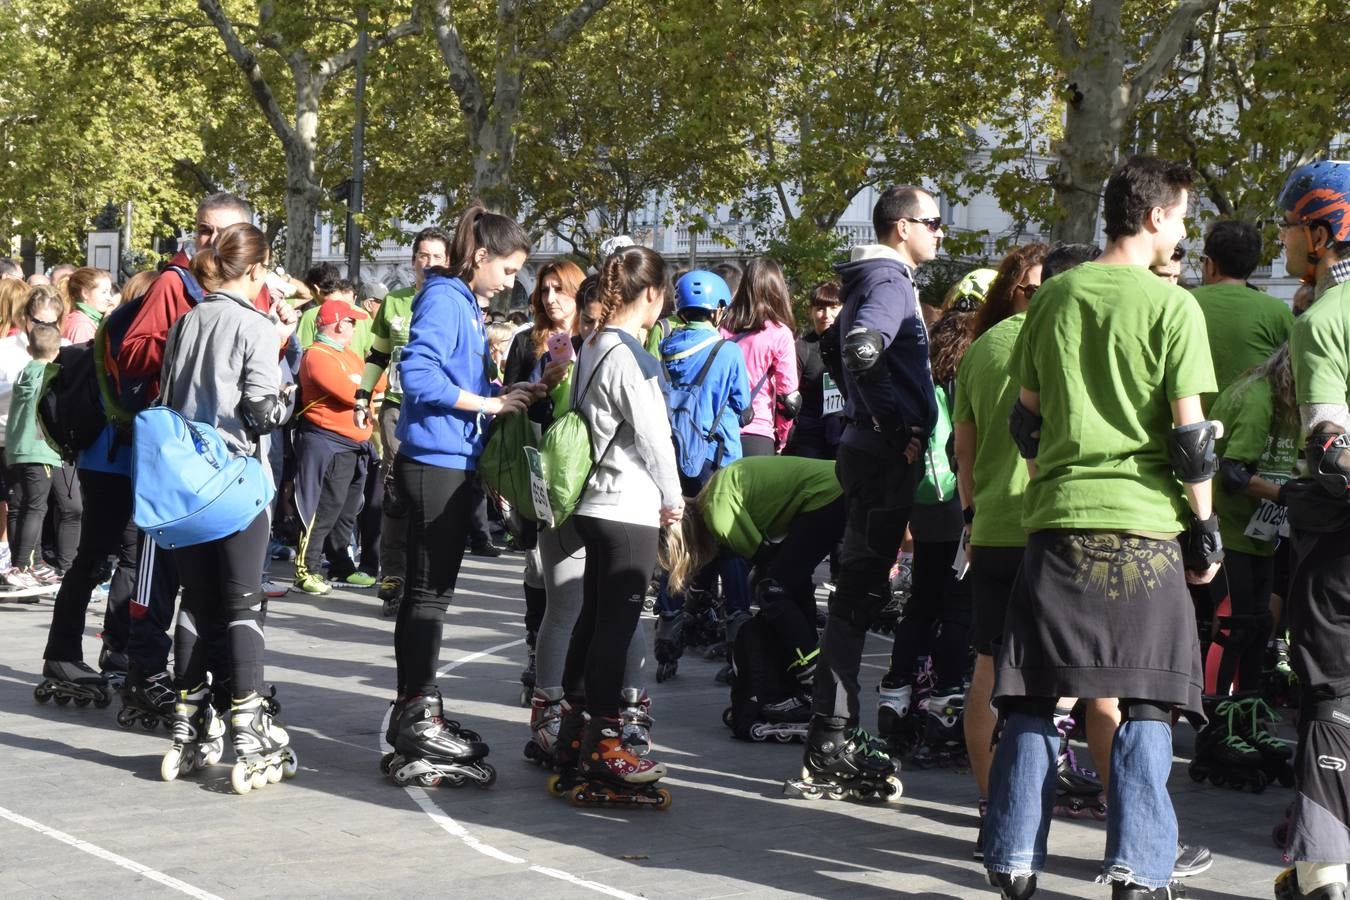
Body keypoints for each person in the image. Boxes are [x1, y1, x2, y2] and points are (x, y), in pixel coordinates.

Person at [983, 156, 1219, 900]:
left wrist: (1059, 466)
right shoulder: (1174, 307)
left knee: (1030, 696)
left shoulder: (1054, 297)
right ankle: (1139, 871)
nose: (1182, 232)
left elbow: (1027, 416)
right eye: (1180, 217)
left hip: (1056, 527)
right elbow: (1191, 441)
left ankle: (1015, 861)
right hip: (1146, 531)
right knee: (1149, 699)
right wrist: (1205, 527)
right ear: (1154, 218)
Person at [381, 203, 542, 787]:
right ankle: (417, 708)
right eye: (507, 269)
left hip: (449, 460)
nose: (511, 282)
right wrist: (490, 404)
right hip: (435, 462)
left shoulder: (462, 303)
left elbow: (455, 379)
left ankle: (416, 704)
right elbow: (418, 377)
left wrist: (504, 389)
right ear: (479, 256)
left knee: (431, 593)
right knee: (428, 594)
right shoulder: (446, 298)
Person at [788, 185, 940, 803]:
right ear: (902, 227)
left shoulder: (869, 281)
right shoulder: (890, 282)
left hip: (867, 452)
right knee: (854, 598)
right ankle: (831, 740)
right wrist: (891, 422)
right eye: (933, 222)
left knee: (858, 592)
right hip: (880, 456)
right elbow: (857, 347)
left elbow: (834, 347)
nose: (940, 233)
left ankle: (830, 735)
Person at [954, 241, 1100, 858]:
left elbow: (963, 450)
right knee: (1099, 678)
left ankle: (995, 812)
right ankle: (1130, 831)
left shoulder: (980, 350)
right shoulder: (1073, 335)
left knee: (990, 670)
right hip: (1062, 526)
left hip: (992, 529)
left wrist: (973, 513)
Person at [159, 221, 297, 790]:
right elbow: (264, 412)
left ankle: (187, 721)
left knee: (195, 601)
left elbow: (167, 398)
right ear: (259, 270)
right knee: (243, 604)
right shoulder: (254, 325)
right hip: (236, 478)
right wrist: (290, 394)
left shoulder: (188, 321)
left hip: (184, 480)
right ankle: (247, 724)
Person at [550, 245, 682, 800]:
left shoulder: (592, 346)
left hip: (593, 506)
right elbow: (655, 437)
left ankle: (574, 732)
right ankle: (606, 743)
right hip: (627, 507)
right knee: (615, 628)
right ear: (650, 293)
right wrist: (673, 500)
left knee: (592, 622)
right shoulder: (630, 355)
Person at [525, 275, 653, 763]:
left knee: (618, 609)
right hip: (558, 492)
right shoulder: (533, 346)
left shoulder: (615, 350)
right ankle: (554, 714)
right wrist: (538, 388)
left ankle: (628, 709)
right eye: (544, 290)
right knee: (566, 607)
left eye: (564, 291)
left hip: (607, 494)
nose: (553, 299)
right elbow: (521, 420)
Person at [1272, 158, 1350, 900]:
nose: (1284, 241)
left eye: (1291, 226)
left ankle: (1325, 870)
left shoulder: (1326, 321)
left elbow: (1334, 452)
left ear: (1323, 232)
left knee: (1330, 697)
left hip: (1341, 548)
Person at [662, 456, 844, 741]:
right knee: (791, 588)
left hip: (827, 493)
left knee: (773, 590)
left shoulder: (716, 512)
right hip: (832, 488)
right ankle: (805, 684)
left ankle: (814, 684)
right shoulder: (713, 497)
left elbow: (763, 558)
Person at [357, 226, 451, 614]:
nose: (429, 263)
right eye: (423, 256)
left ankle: (423, 574)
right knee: (396, 484)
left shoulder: (453, 301)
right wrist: (362, 395)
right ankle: (393, 572)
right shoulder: (394, 301)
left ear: (449, 262)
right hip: (397, 405)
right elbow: (378, 355)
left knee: (426, 493)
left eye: (437, 257)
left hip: (437, 409)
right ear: (413, 260)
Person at [292, 299, 377, 594]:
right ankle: (307, 568)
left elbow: (374, 382)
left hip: (354, 443)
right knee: (323, 508)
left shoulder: (350, 356)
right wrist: (363, 386)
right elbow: (350, 392)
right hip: (328, 441)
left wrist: (363, 385)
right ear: (340, 324)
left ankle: (342, 563)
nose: (355, 327)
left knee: (347, 509)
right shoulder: (316, 355)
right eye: (352, 322)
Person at [1191, 220, 1293, 407]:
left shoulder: (1183, 302)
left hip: (1190, 427)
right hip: (1253, 427)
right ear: (1252, 266)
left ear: (1210, 264)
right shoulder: (1277, 311)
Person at [5, 318, 63, 589]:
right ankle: (22, 565)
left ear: (29, 349)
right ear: (58, 350)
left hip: (16, 449)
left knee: (19, 508)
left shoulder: (24, 371)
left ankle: (32, 562)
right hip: (40, 450)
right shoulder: (51, 374)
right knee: (36, 509)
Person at [719, 257, 799, 455]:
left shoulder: (722, 328)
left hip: (719, 430)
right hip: (758, 432)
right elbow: (788, 398)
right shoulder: (780, 333)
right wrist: (781, 437)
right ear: (778, 290)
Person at [784, 282, 845, 460]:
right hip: (809, 435)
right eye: (820, 308)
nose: (827, 315)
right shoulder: (801, 348)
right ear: (810, 311)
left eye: (834, 308)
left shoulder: (853, 346)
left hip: (846, 431)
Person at [60, 267, 114, 344]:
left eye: (109, 292)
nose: (109, 298)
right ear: (85, 293)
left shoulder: (86, 320)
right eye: (104, 292)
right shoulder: (81, 325)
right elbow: (82, 354)